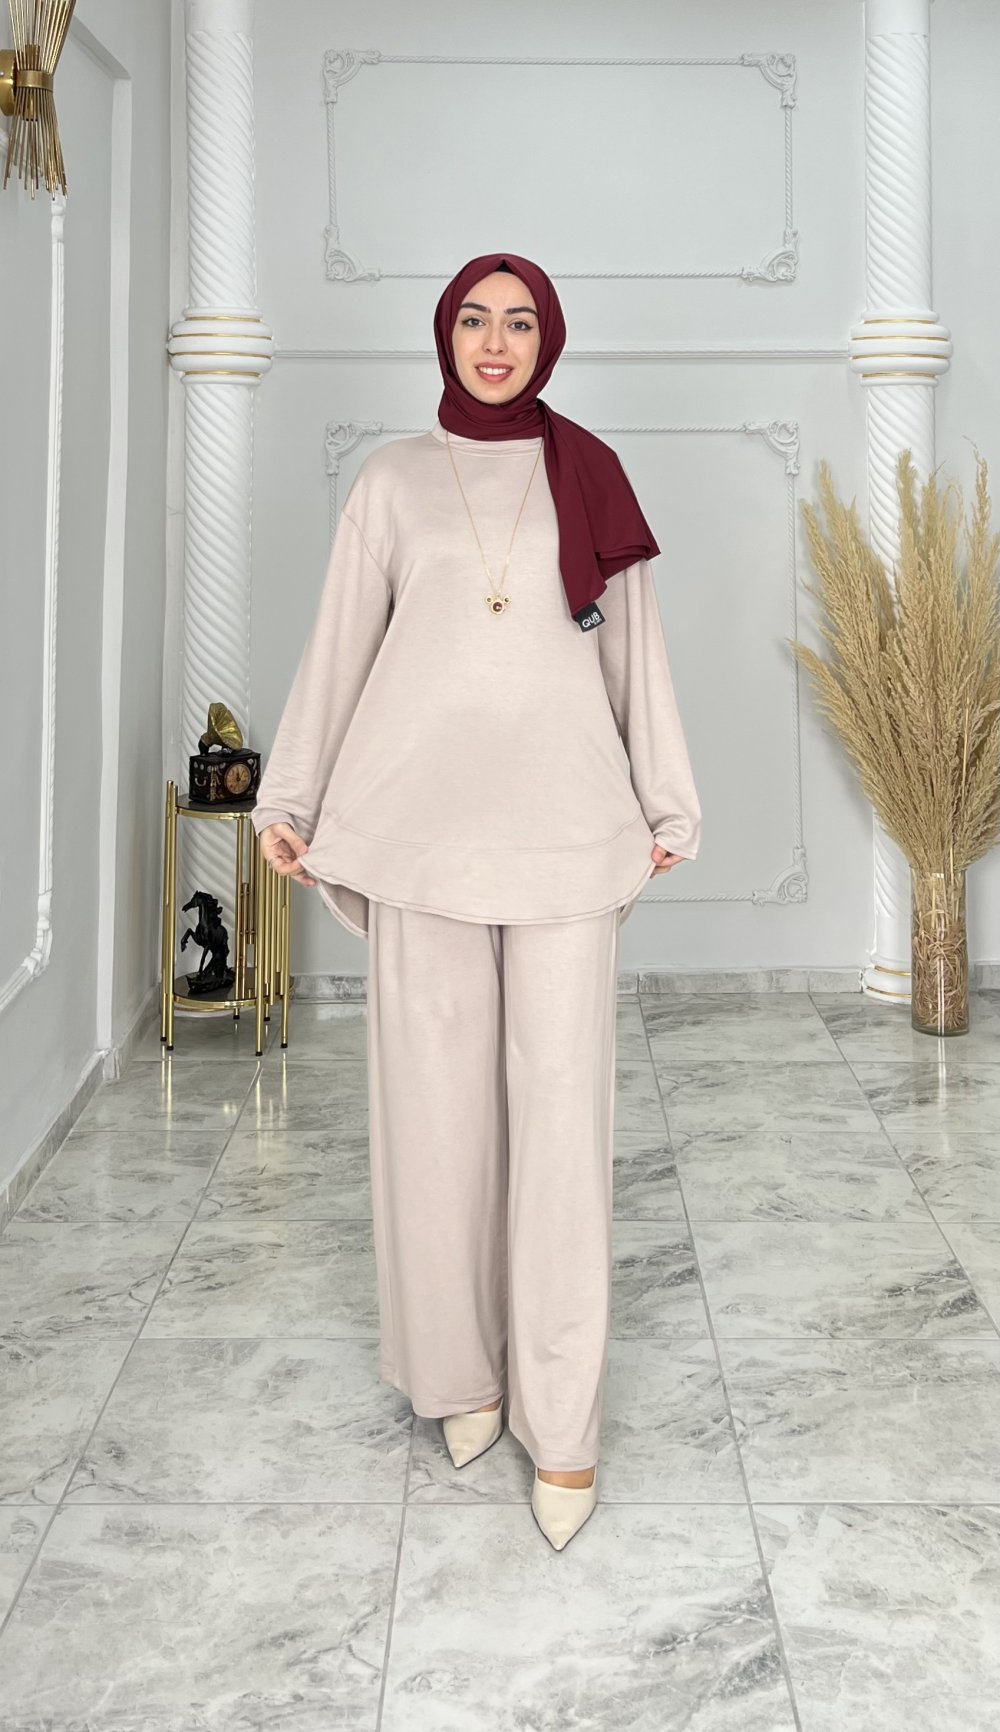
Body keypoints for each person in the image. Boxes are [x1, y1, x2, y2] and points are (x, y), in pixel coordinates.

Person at [252, 251, 701, 1551]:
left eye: (517, 322)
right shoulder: (392, 481)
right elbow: (339, 648)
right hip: (417, 836)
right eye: (472, 320)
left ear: (547, 339)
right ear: (444, 336)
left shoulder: (590, 475)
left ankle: (565, 1422)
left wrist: (665, 802)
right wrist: (292, 798)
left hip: (566, 832)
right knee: (436, 1126)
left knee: (561, 1133)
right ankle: (462, 1377)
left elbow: (635, 652)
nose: (494, 342)